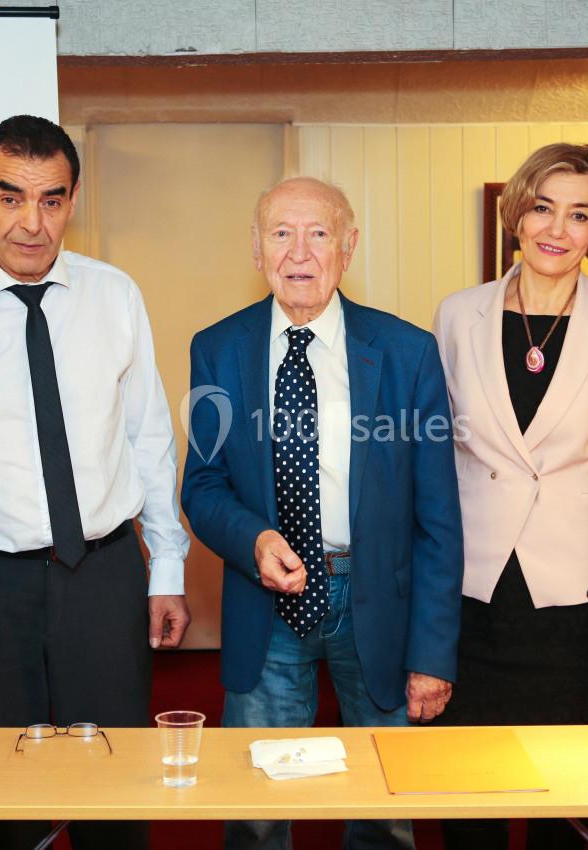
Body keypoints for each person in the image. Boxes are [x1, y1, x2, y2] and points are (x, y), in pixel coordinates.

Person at [0, 115, 190, 850]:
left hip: (104, 572)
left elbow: (149, 437)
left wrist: (167, 567)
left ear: (73, 200)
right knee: (6, 785)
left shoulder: (115, 295)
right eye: (10, 197)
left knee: (115, 783)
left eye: (52, 200)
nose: (32, 222)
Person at [182, 176, 463, 850]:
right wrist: (253, 540)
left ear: (349, 246)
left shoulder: (408, 353)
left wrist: (433, 654)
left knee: (382, 810)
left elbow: (439, 518)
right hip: (266, 603)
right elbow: (203, 486)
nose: (299, 252)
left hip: (378, 600)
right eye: (281, 233)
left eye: (319, 234)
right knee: (256, 807)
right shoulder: (217, 349)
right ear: (257, 249)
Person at [431, 143, 588, 850]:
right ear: (517, 215)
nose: (557, 228)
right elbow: (439, 455)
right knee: (471, 790)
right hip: (475, 586)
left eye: (579, 214)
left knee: (567, 791)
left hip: (577, 594)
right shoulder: (457, 315)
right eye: (543, 207)